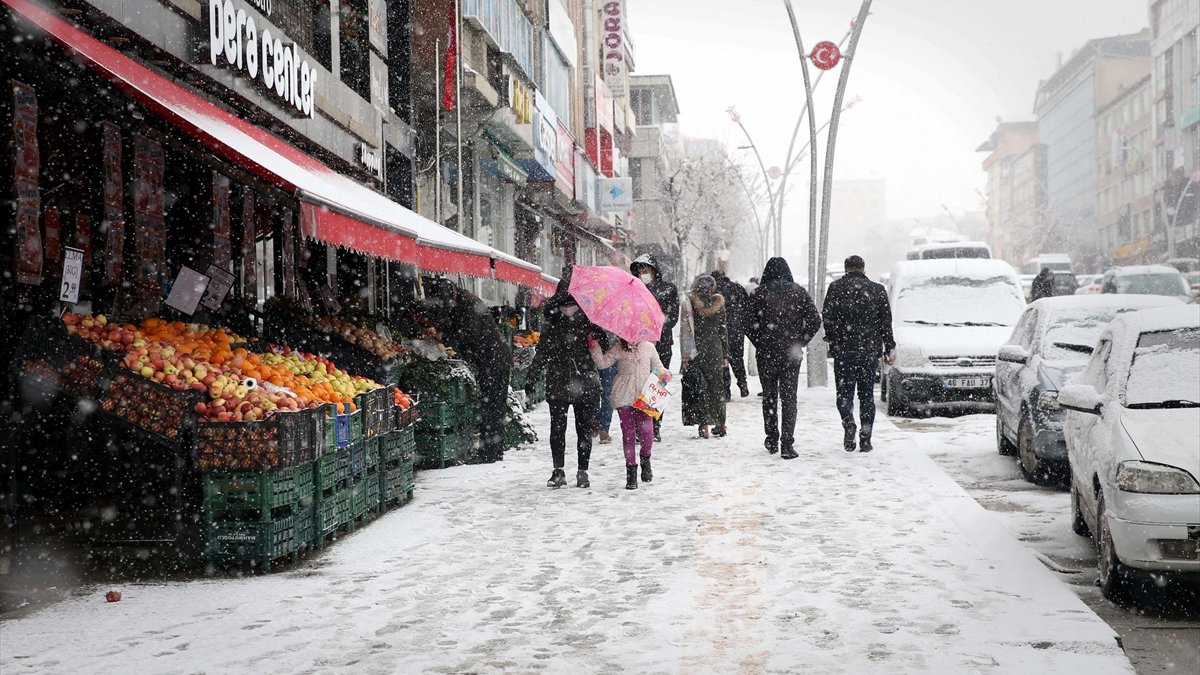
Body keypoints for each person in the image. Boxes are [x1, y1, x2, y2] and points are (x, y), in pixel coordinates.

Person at [423, 279, 511, 464]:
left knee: (492, 406)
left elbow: (468, 332)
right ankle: (493, 449)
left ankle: (490, 452)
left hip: (493, 360)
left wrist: (445, 336)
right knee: (492, 405)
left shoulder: (469, 304)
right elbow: (457, 325)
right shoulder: (461, 300)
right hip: (489, 360)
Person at [745, 257, 822, 460]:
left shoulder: (758, 293)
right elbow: (815, 320)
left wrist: (760, 341)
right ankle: (787, 444)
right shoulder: (798, 292)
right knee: (789, 398)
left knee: (769, 396)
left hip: (767, 354)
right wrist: (800, 342)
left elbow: (746, 323)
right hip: (791, 354)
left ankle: (771, 439)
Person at [529, 286, 604, 488]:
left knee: (583, 429)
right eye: (565, 303)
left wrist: (600, 335)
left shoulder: (590, 323)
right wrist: (532, 375)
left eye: (571, 303)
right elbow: (542, 353)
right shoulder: (552, 325)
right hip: (559, 382)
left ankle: (582, 471)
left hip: (584, 382)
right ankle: (558, 470)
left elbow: (601, 353)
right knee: (558, 429)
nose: (568, 307)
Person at [821, 255, 896, 453]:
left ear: (846, 269)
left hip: (844, 351)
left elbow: (827, 317)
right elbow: (885, 323)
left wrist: (834, 339)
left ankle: (848, 421)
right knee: (866, 396)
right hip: (869, 351)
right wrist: (889, 347)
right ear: (864, 268)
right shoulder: (877, 290)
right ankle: (866, 437)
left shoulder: (835, 289)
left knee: (844, 393)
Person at [589, 336, 667, 490]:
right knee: (628, 434)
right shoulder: (618, 348)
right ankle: (631, 471)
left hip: (644, 396)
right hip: (623, 394)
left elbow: (658, 367)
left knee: (647, 433)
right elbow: (602, 363)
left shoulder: (648, 347)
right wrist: (594, 346)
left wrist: (663, 375)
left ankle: (646, 459)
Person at [631, 253, 679, 442]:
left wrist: (656, 323)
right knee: (638, 384)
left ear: (654, 270)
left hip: (662, 344)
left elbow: (672, 317)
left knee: (656, 385)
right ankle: (637, 426)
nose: (643, 273)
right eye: (640, 269)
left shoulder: (668, 289)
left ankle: (653, 425)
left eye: (646, 269)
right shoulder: (633, 288)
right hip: (638, 345)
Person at [682, 274, 729, 438]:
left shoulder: (690, 303)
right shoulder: (719, 303)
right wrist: (725, 354)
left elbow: (687, 331)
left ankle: (703, 425)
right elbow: (723, 330)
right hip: (715, 349)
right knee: (717, 387)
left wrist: (685, 355)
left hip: (697, 349)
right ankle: (720, 424)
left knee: (700, 387)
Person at [712, 262, 750, 399]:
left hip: (720, 329)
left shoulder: (713, 290)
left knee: (723, 360)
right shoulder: (737, 288)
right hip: (736, 328)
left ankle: (726, 390)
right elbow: (747, 307)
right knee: (737, 358)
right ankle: (743, 383)